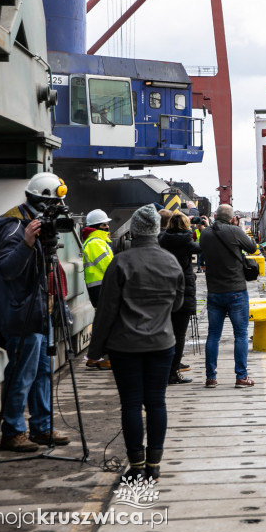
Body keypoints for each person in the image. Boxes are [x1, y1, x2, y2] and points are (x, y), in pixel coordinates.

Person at [87, 205, 182, 481]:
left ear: (134, 230)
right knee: (156, 402)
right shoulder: (171, 262)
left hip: (124, 346)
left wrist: (95, 351)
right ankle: (154, 465)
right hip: (161, 343)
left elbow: (106, 311)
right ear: (155, 230)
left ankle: (137, 466)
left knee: (130, 403)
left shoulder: (120, 262)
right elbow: (176, 304)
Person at [0, 172, 71, 452]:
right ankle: (13, 430)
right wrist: (27, 244)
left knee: (43, 371)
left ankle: (41, 427)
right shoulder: (14, 227)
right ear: (41, 202)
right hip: (23, 313)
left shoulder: (37, 223)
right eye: (52, 205)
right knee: (22, 373)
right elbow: (7, 269)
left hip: (40, 310)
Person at [199, 204, 257, 388]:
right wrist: (238, 228)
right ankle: (241, 377)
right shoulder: (234, 231)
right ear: (232, 218)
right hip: (236, 291)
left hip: (214, 291)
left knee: (213, 335)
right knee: (240, 334)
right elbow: (252, 248)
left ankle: (211, 377)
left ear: (215, 215)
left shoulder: (206, 234)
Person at [158, 212, 200, 385]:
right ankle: (174, 372)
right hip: (183, 289)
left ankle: (163, 369)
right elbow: (203, 247)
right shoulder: (188, 242)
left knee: (164, 332)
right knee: (180, 334)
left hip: (163, 288)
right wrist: (201, 228)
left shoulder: (161, 239)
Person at [81, 209, 114, 370]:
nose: (108, 226)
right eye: (104, 224)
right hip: (102, 288)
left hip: (99, 287)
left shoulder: (97, 241)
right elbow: (110, 266)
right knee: (108, 323)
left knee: (103, 323)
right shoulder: (95, 243)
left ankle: (95, 357)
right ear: (96, 226)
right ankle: (103, 358)